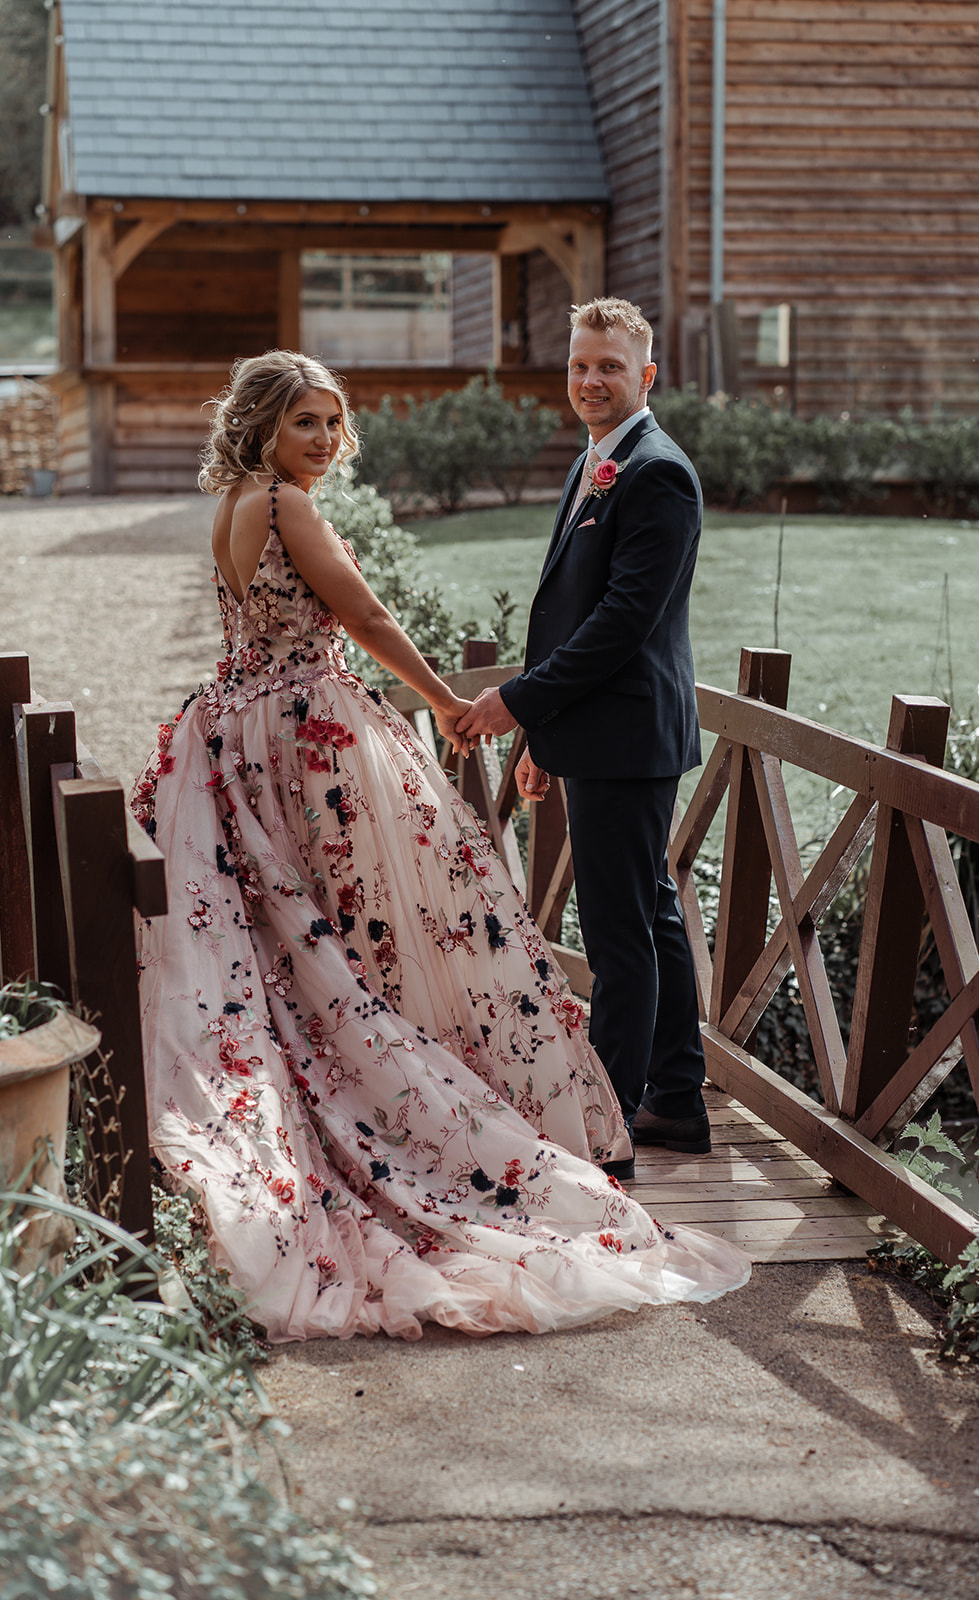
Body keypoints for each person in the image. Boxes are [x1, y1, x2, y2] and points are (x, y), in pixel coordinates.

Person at [131, 349, 748, 1343]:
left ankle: (341, 1072)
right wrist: (444, 703)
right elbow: (364, 615)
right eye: (305, 424)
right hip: (310, 732)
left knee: (303, 938)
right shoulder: (286, 506)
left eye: (333, 423)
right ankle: (391, 1108)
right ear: (259, 427)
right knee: (389, 920)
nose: (324, 442)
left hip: (240, 731)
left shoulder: (230, 506)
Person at [457, 298, 712, 1165]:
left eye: (608, 366)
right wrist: (542, 738)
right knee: (649, 914)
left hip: (628, 733)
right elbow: (566, 614)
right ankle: (676, 1100)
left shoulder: (656, 472)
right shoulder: (596, 463)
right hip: (599, 730)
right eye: (578, 366)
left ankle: (606, 1131)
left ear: (644, 376)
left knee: (617, 937)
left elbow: (619, 624)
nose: (589, 380)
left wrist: (519, 704)